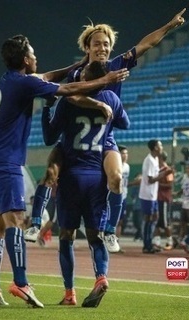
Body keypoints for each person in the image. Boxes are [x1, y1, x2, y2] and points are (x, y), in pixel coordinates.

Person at [0, 34, 129, 308]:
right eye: (33, 54)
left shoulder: (10, 79)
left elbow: (48, 76)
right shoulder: (25, 83)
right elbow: (67, 91)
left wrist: (78, 65)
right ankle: (21, 283)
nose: (37, 58)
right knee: (16, 221)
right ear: (26, 60)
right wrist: (104, 82)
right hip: (6, 162)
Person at [24, 8, 187, 253]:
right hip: (74, 137)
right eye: (97, 43)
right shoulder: (77, 72)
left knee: (117, 178)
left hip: (103, 137)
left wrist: (169, 26)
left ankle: (110, 231)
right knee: (50, 173)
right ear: (87, 48)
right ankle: (37, 225)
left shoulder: (116, 64)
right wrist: (98, 103)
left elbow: (145, 45)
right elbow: (72, 96)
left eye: (107, 44)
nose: (103, 47)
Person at [41, 60, 130, 307]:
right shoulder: (111, 98)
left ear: (87, 77)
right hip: (96, 177)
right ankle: (101, 277)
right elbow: (125, 124)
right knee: (95, 236)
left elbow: (49, 137)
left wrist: (46, 108)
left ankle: (69, 294)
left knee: (66, 236)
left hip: (71, 175)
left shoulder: (69, 99)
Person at [139, 140, 172, 254]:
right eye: (160, 145)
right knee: (148, 218)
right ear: (155, 148)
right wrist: (165, 174)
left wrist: (164, 173)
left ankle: (150, 242)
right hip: (147, 194)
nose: (162, 147)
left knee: (154, 217)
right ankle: (146, 244)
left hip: (153, 195)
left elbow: (156, 175)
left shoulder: (156, 159)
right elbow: (150, 179)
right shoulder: (149, 160)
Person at [153, 151, 175, 251]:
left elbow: (170, 185)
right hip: (157, 198)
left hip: (164, 199)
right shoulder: (158, 170)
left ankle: (170, 241)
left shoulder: (167, 170)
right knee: (157, 220)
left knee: (165, 222)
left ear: (161, 159)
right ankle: (156, 241)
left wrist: (157, 184)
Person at [112, 145, 130, 253]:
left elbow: (125, 183)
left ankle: (116, 244)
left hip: (124, 196)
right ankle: (109, 242)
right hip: (115, 196)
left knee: (120, 221)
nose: (125, 156)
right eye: (123, 153)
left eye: (126, 153)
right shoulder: (114, 165)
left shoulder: (127, 166)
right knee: (113, 220)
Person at [176, 162, 189, 243]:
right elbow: (183, 189)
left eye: (188, 168)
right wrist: (177, 193)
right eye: (186, 168)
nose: (187, 170)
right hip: (185, 202)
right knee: (183, 222)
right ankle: (181, 237)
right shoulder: (185, 178)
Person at [128, 173, 143, 241]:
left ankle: (139, 236)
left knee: (139, 222)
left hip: (141, 206)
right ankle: (139, 235)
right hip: (135, 206)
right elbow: (132, 195)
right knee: (135, 222)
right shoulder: (135, 187)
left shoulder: (143, 186)